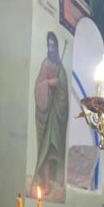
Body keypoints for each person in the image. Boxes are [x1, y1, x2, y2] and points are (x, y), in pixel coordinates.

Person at [33, 31, 69, 196]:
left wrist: (58, 84)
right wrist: (48, 83)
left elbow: (64, 93)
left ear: (57, 47)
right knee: (46, 150)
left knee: (54, 147)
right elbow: (38, 86)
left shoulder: (61, 69)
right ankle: (46, 183)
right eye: (49, 46)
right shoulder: (45, 64)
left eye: (53, 46)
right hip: (46, 114)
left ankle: (53, 181)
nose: (51, 48)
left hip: (56, 114)